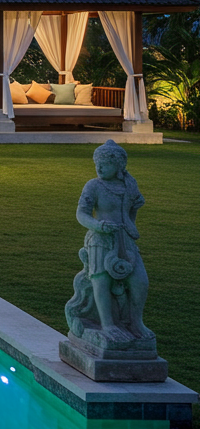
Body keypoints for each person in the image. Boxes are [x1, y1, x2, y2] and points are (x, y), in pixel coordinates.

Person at [66, 140, 152, 344]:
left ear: (119, 166)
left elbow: (129, 218)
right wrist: (99, 225)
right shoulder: (94, 185)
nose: (99, 167)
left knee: (139, 281)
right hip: (100, 240)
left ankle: (135, 321)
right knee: (101, 279)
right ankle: (108, 324)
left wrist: (134, 209)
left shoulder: (129, 185)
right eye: (97, 162)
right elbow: (81, 213)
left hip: (125, 239)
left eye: (105, 163)